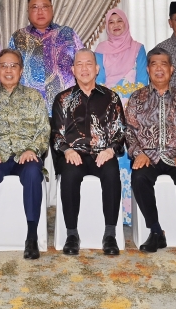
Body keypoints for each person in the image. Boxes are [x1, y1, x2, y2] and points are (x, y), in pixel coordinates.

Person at [0, 49, 50, 261]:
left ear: (21, 70)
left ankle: (31, 237)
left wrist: (32, 150)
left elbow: (44, 130)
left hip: (25, 157)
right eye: (3, 66)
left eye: (13, 65)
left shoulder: (34, 97)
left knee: (34, 173)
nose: (8, 70)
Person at [125, 47, 176, 254]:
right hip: (148, 156)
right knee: (139, 178)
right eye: (154, 64)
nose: (159, 69)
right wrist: (138, 152)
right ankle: (156, 232)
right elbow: (129, 131)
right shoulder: (136, 99)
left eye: (164, 64)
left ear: (172, 69)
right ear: (148, 70)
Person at [51, 49, 126, 256]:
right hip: (74, 154)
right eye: (79, 65)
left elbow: (120, 130)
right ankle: (72, 235)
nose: (84, 68)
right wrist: (66, 150)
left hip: (102, 154)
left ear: (97, 68)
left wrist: (111, 149)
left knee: (112, 173)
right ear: (73, 70)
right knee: (70, 175)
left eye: (89, 64)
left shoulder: (111, 98)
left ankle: (110, 234)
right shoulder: (62, 99)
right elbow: (56, 134)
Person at [94, 7, 148, 227]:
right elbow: (100, 84)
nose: (116, 25)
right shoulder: (100, 50)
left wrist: (129, 103)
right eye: (111, 22)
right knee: (113, 160)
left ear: (126, 23)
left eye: (120, 21)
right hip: (109, 112)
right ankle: (113, 214)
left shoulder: (138, 48)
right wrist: (117, 102)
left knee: (131, 157)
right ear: (107, 26)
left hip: (134, 112)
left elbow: (143, 82)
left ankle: (131, 214)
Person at [8, 0, 82, 110]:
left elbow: (82, 65)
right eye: (35, 7)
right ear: (28, 11)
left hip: (66, 107)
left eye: (44, 6)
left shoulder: (68, 34)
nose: (40, 12)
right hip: (29, 110)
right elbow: (10, 71)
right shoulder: (18, 37)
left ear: (52, 9)